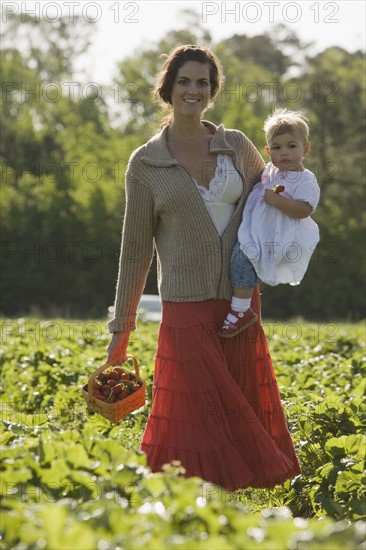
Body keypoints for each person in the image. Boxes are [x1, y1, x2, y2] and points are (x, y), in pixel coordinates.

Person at [106, 45, 301, 491]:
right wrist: (123, 327)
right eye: (185, 82)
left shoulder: (235, 144)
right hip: (185, 298)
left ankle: (231, 495)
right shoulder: (147, 163)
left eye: (203, 83)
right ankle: (185, 494)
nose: (193, 91)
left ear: (212, 92)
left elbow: (272, 193)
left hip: (238, 295)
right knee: (194, 403)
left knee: (237, 395)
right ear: (168, 88)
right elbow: (136, 247)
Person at [219, 108, 320, 337]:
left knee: (243, 257)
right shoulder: (270, 171)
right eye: (277, 147)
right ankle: (240, 305)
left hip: (279, 236)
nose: (284, 153)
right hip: (258, 231)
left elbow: (304, 209)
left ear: (305, 149)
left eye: (291, 146)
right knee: (241, 259)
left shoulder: (305, 179)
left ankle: (240, 310)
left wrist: (277, 201)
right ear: (268, 151)